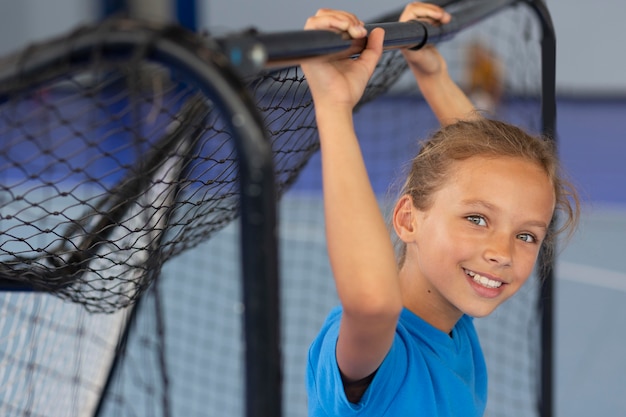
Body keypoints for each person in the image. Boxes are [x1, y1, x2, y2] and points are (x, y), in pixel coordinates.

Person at [301, 3, 580, 416]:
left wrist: (432, 73)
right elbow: (373, 303)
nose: (502, 252)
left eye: (526, 235)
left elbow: (482, 165)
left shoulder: (452, 317)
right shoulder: (383, 351)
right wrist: (333, 106)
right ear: (408, 218)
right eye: (476, 220)